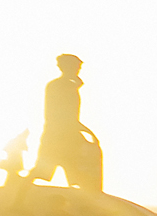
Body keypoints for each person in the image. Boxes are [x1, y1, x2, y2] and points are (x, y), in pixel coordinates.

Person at [27, 55, 102, 194]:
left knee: (76, 172)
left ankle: (81, 204)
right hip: (58, 137)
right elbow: (62, 114)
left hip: (68, 135)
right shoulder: (59, 86)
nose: (78, 70)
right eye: (76, 67)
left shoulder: (67, 85)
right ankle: (16, 200)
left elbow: (71, 115)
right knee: (42, 170)